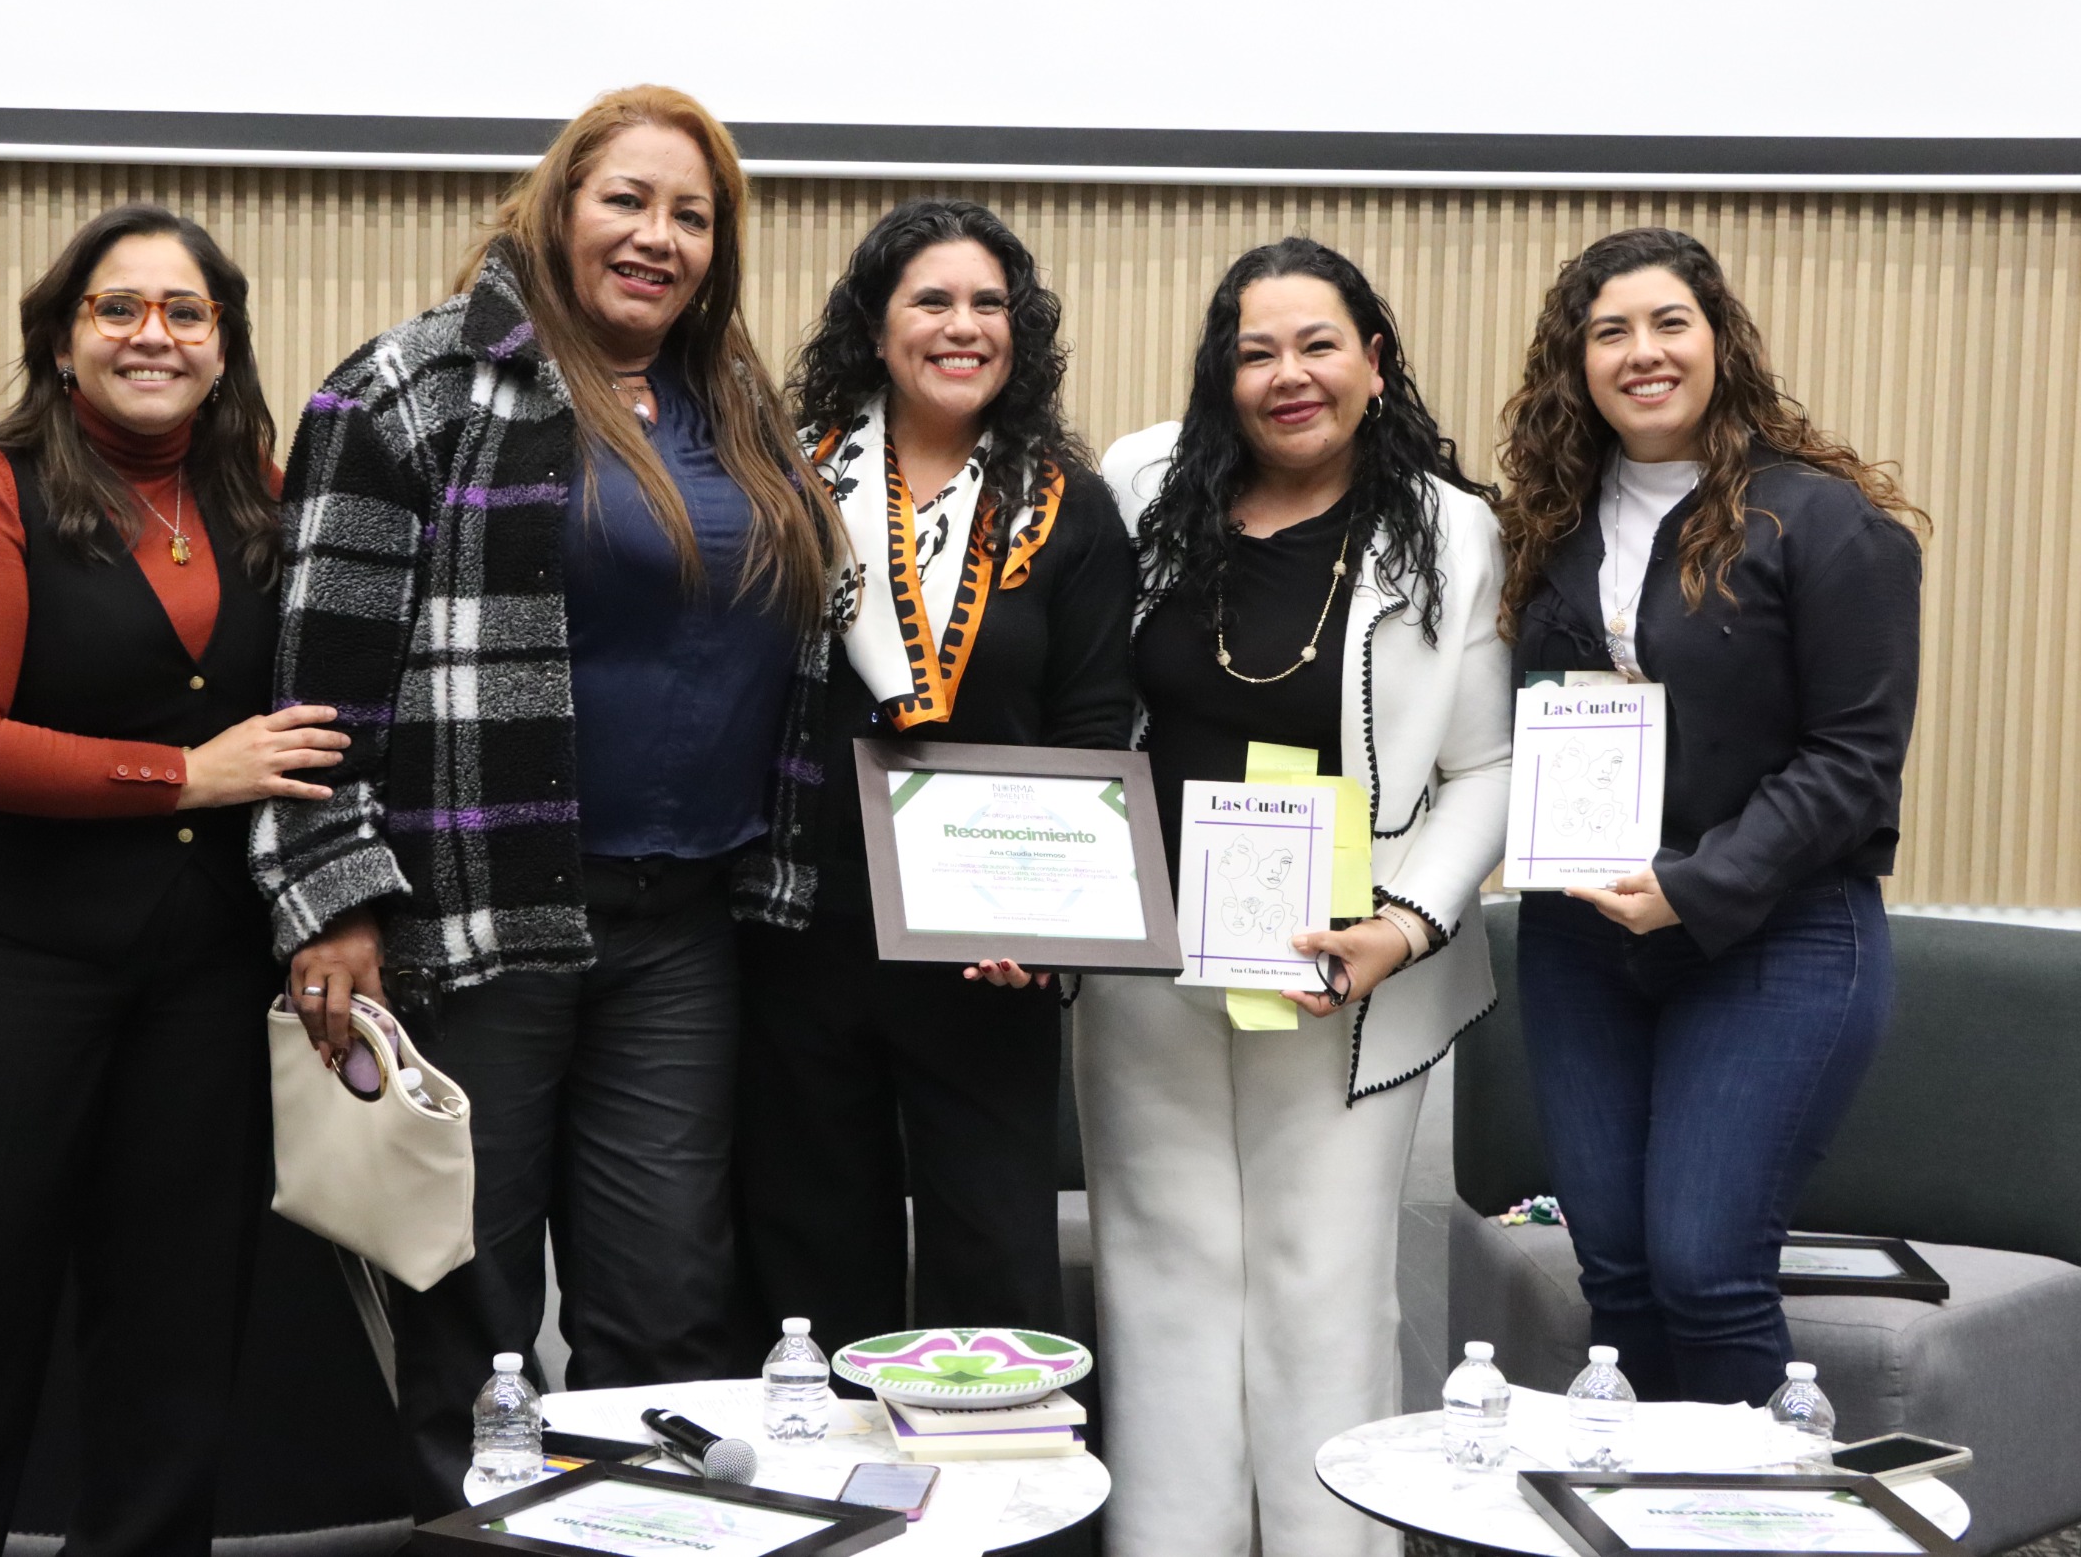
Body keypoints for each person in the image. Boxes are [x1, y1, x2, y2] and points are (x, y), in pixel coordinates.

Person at [253, 86, 838, 1516]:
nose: (658, 236)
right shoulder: (414, 388)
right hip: (479, 923)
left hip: (684, 923)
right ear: (557, 205)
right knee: (476, 1306)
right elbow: (315, 684)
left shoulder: (740, 408)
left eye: (693, 214)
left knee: (667, 1309)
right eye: (626, 200)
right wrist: (328, 901)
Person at [0, 204, 342, 1557]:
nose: (152, 335)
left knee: (176, 1312)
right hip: (8, 959)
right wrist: (186, 775)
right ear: (63, 338)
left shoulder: (262, 486)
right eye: (118, 308)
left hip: (199, 969)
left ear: (224, 342)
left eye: (185, 312)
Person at [1078, 238, 1510, 1557]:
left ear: (1375, 360)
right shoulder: (1144, 480)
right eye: (1255, 349)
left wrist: (1402, 923)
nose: (1288, 376)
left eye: (1318, 343)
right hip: (1152, 960)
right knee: (1160, 1282)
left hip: (1345, 969)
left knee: (1321, 1290)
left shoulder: (1450, 529)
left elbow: (1485, 766)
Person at [1494, 225, 1927, 1405]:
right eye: (1609, 331)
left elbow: (1854, 763)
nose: (1642, 352)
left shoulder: (1823, 522)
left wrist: (1696, 882)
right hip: (1579, 939)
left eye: (1667, 323)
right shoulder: (1544, 527)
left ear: (1719, 340)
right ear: (1575, 364)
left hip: (1776, 936)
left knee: (1704, 1268)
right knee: (1618, 1273)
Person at [734, 199, 1136, 1363]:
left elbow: (1096, 724)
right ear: (873, 326)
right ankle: (837, 1525)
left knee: (993, 1266)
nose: (963, 327)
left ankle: (1003, 1531)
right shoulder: (785, 488)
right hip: (803, 934)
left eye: (989, 304)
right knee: (811, 1256)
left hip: (985, 947)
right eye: (931, 301)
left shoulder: (1070, 510)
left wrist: (1052, 921)